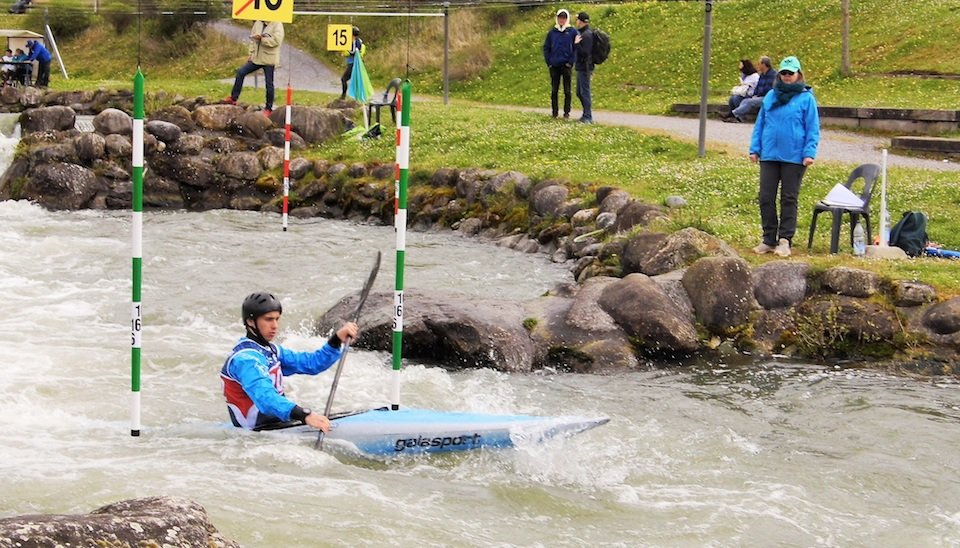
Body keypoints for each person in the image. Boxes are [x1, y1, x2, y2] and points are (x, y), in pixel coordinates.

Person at [220, 292, 359, 432]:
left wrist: (336, 340)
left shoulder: (272, 350)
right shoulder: (246, 360)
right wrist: (304, 415)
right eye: (268, 319)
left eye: (277, 319)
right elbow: (266, 399)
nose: (275, 326)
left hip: (277, 426)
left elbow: (312, 363)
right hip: (258, 435)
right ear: (251, 322)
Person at [749, 56, 820, 258]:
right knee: (765, 197)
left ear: (798, 74)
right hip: (769, 154)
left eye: (791, 73)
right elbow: (760, 124)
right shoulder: (770, 96)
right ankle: (768, 239)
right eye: (784, 73)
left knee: (789, 198)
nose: (787, 76)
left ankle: (785, 239)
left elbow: (812, 128)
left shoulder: (806, 99)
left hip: (794, 157)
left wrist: (809, 153)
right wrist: (755, 148)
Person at [224, 19, 284, 117]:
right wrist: (251, 53)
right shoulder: (258, 23)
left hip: (269, 59)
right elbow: (253, 40)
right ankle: (233, 98)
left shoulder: (277, 24)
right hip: (256, 58)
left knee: (269, 83)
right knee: (241, 72)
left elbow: (277, 41)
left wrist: (262, 39)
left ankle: (268, 108)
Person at [543, 9, 578, 119]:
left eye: (563, 18)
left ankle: (566, 112)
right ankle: (554, 112)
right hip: (554, 65)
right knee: (554, 90)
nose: (561, 20)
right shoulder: (552, 32)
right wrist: (549, 61)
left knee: (567, 90)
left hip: (566, 65)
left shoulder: (572, 32)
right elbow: (546, 47)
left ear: (567, 19)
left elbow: (576, 48)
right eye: (560, 18)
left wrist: (571, 62)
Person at [726, 56, 776, 123]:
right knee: (744, 100)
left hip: (767, 97)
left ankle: (734, 114)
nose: (758, 66)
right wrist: (755, 94)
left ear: (764, 64)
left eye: (759, 64)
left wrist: (757, 95)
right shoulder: (762, 75)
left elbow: (769, 89)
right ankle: (739, 117)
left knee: (749, 102)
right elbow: (758, 87)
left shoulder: (773, 75)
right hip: (759, 96)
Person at [573, 11, 594, 124]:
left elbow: (585, 53)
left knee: (585, 92)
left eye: (577, 19)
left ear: (581, 21)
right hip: (581, 67)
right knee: (579, 92)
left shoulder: (587, 35)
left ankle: (588, 116)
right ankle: (585, 113)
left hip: (585, 67)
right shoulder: (582, 33)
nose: (576, 21)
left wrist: (576, 44)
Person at [339, 26, 364, 101]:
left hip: (352, 64)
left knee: (344, 79)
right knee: (355, 80)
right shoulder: (358, 41)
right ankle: (356, 97)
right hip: (354, 63)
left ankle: (343, 95)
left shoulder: (355, 41)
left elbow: (354, 52)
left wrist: (346, 51)